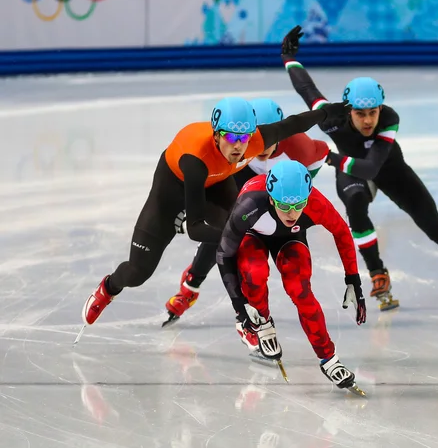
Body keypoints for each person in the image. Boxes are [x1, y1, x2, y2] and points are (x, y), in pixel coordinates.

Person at [279, 25, 438, 311]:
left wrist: (331, 158)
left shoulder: (390, 119)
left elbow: (371, 167)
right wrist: (288, 57)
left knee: (435, 226)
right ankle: (378, 273)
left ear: (381, 109)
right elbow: (306, 88)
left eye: (373, 113)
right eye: (360, 114)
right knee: (354, 204)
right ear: (348, 109)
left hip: (389, 171)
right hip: (353, 171)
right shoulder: (331, 117)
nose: (368, 121)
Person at [79, 96, 349, 334]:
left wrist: (328, 112)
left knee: (238, 242)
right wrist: (238, 235)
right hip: (174, 188)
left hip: (218, 181)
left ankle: (245, 319)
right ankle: (109, 287)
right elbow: (196, 228)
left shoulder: (254, 141)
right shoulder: (195, 158)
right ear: (216, 135)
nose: (239, 147)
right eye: (231, 138)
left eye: (244, 139)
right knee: (138, 272)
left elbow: (295, 123)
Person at [162, 98, 330, 327]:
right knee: (226, 228)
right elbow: (207, 181)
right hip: (247, 179)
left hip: (280, 195)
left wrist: (303, 186)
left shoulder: (301, 148)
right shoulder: (239, 150)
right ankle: (191, 286)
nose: (257, 147)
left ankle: (252, 305)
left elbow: (322, 152)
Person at [215, 160, 367, 393]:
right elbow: (224, 254)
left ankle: (329, 358)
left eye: (299, 205)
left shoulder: (315, 203)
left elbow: (342, 232)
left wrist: (353, 279)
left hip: (290, 240)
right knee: (254, 275)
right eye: (284, 206)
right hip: (253, 235)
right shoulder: (250, 203)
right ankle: (262, 323)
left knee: (301, 290)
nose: (292, 213)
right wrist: (240, 306)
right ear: (270, 198)